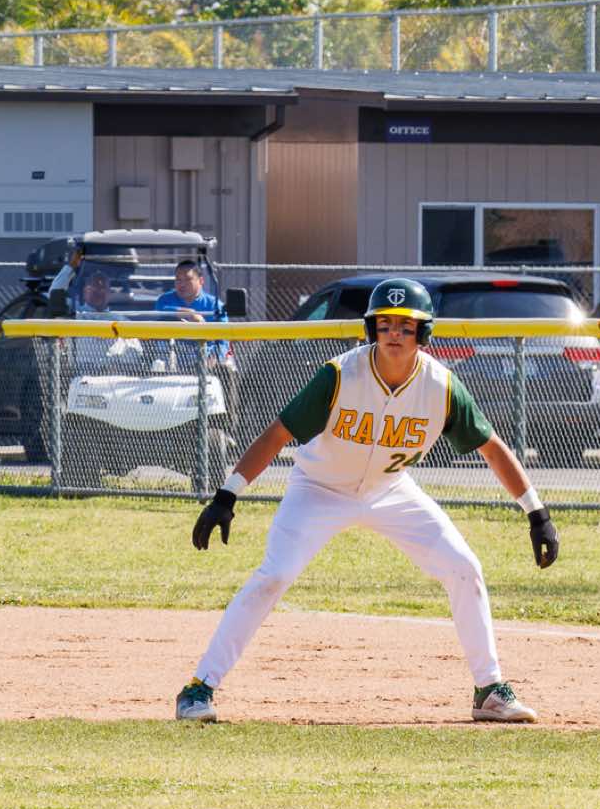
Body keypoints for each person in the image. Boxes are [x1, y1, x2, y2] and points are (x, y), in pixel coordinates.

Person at [175, 278, 561, 724]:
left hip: (390, 489)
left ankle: (489, 689)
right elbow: (278, 433)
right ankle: (198, 687)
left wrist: (537, 513)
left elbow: (491, 448)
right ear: (371, 329)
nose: (394, 333)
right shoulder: (340, 376)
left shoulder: (440, 386)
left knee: (464, 567)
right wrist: (227, 494)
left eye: (405, 325)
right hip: (318, 488)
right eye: (385, 324)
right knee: (274, 575)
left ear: (423, 332)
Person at [155, 259, 229, 360]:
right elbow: (161, 311)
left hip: (205, 358)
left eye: (188, 279)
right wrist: (188, 314)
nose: (182, 284)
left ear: (201, 281)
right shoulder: (164, 300)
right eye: (178, 280)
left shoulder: (215, 305)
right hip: (170, 357)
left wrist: (215, 358)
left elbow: (223, 339)